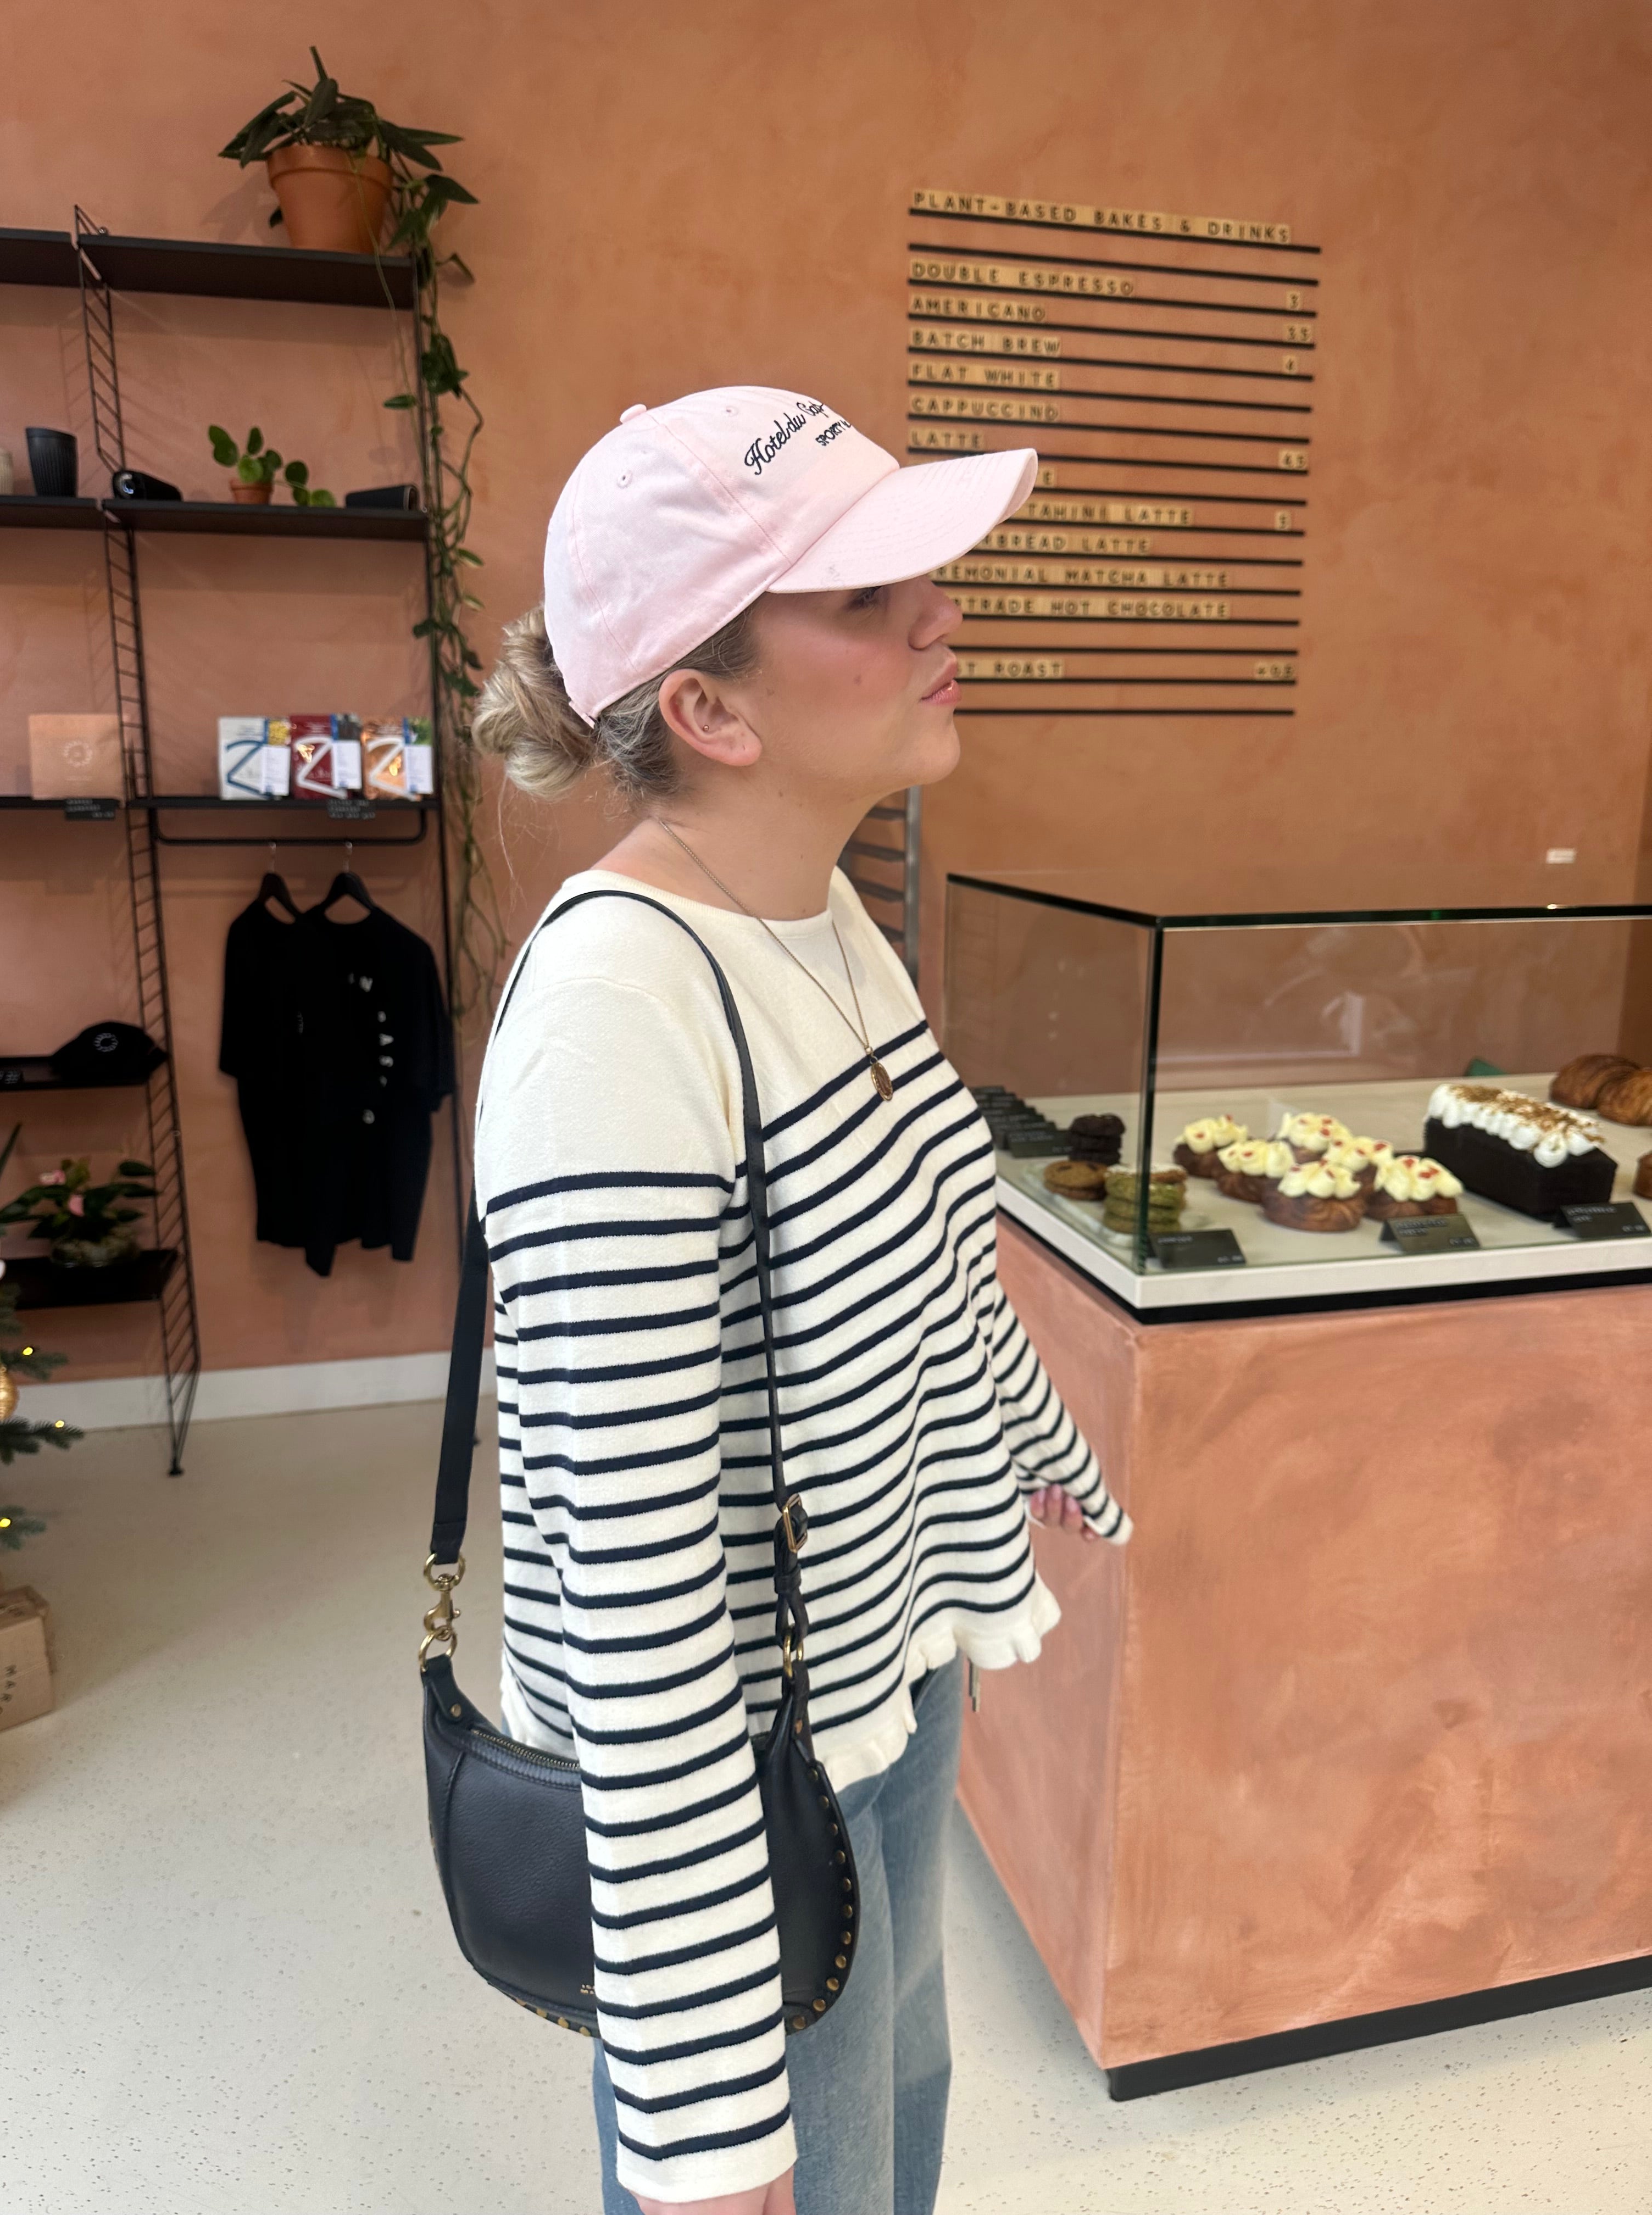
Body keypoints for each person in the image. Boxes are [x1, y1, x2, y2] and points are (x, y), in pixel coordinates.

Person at [469, 389, 1132, 2215]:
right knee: (806, 2173)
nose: (941, 616)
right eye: (862, 597)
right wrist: (698, 2114)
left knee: (898, 2122)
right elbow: (630, 1596)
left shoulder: (820, 918)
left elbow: (930, 1256)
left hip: (883, 1669)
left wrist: (1036, 1450)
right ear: (710, 709)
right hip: (744, 1763)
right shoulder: (619, 1012)